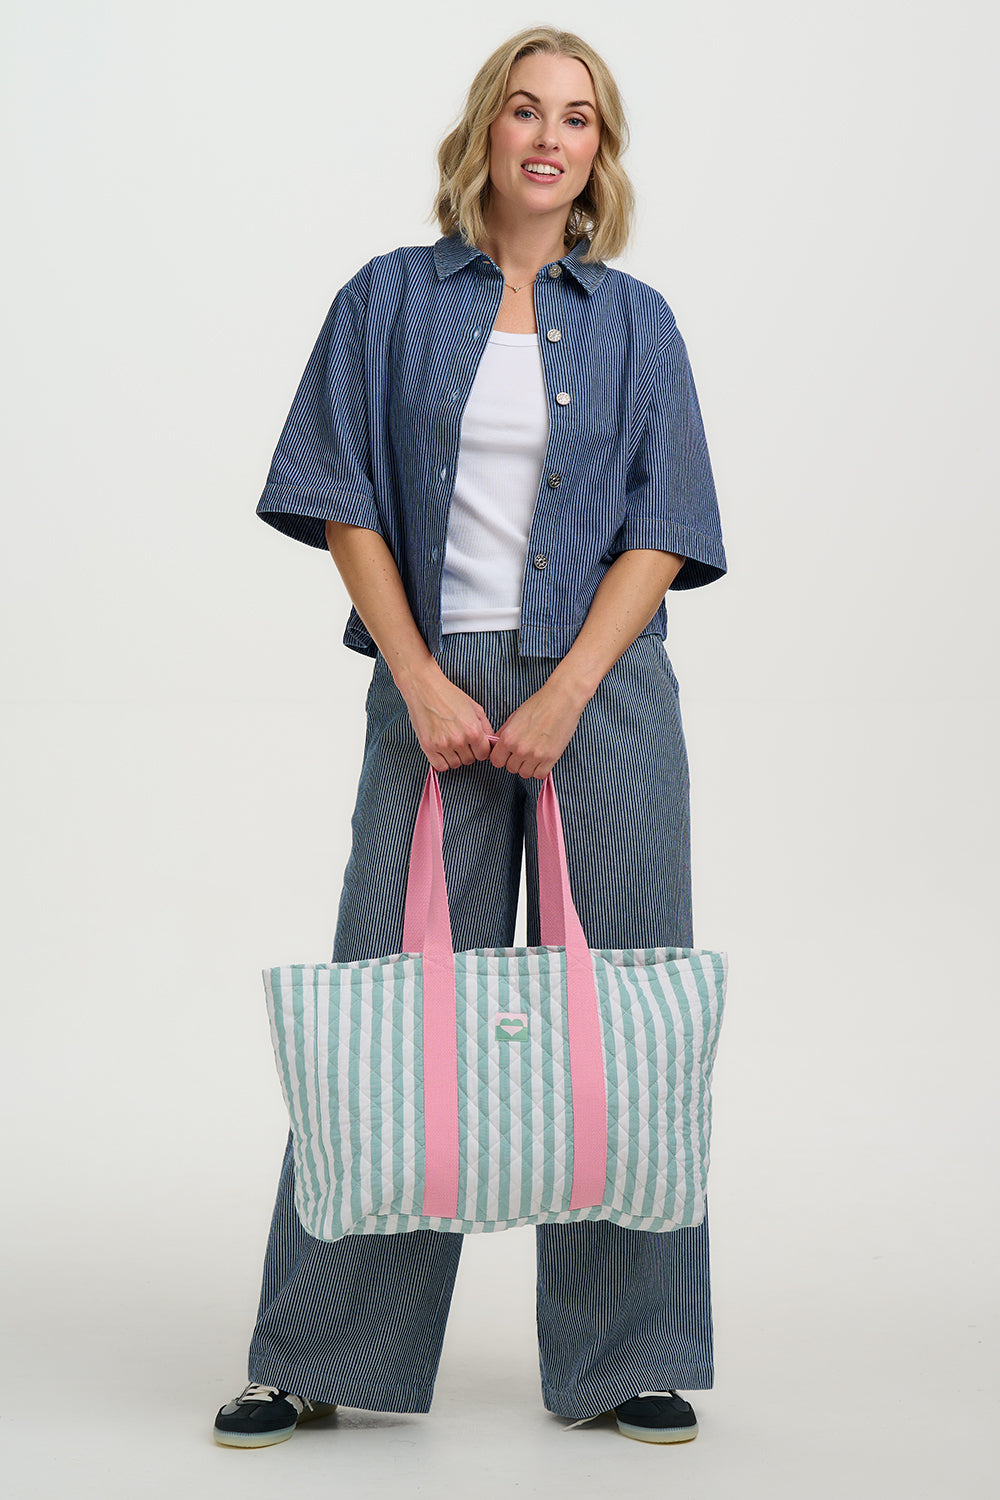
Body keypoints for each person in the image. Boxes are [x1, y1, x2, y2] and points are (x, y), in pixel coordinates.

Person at [214, 24, 727, 1449]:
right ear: (486, 131)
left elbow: (666, 525)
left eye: (578, 118)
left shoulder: (638, 323)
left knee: (620, 1014)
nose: (549, 137)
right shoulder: (388, 299)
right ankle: (320, 1351)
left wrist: (565, 694)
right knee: (391, 1004)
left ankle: (628, 1354)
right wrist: (420, 677)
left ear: (599, 153)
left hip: (601, 693)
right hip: (430, 689)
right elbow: (341, 496)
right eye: (526, 109)